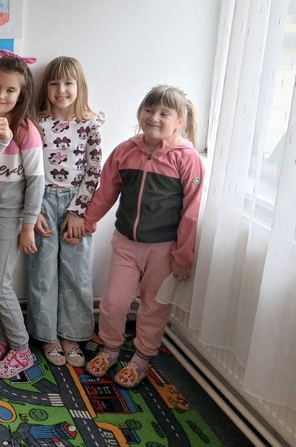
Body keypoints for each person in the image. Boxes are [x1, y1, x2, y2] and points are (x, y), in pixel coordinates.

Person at [83, 85, 204, 389]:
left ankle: (141, 357)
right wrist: (87, 220)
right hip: (126, 244)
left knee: (154, 306)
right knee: (113, 302)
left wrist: (183, 256)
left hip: (163, 250)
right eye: (149, 110)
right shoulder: (125, 151)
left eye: (164, 113)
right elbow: (106, 191)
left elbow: (191, 211)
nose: (154, 117)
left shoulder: (187, 158)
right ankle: (110, 348)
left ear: (180, 121)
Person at [27, 57, 104, 368]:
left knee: (77, 273)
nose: (61, 90)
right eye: (54, 83)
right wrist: (33, 210)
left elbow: (94, 171)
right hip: (42, 200)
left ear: (79, 86)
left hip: (77, 205)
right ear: (45, 87)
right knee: (42, 274)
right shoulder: (36, 123)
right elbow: (28, 169)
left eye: (68, 83)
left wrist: (78, 212)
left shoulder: (91, 125)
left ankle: (72, 334)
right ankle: (47, 335)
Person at [0, 54, 45, 378]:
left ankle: (21, 348)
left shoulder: (26, 130)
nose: (1, 95)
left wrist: (28, 225)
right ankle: (2, 340)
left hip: (10, 217)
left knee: (0, 283)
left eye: (10, 90)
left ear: (21, 94)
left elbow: (36, 181)